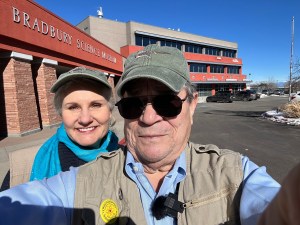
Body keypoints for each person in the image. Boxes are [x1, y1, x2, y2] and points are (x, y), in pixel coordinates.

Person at [0, 45, 280, 225]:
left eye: (166, 102)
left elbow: (274, 206)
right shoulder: (81, 180)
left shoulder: (235, 174)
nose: (147, 117)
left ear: (192, 105)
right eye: (133, 104)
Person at [0, 67, 119, 191]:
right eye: (73, 107)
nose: (85, 119)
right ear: (61, 113)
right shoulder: (22, 168)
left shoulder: (130, 159)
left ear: (110, 111)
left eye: (95, 105)